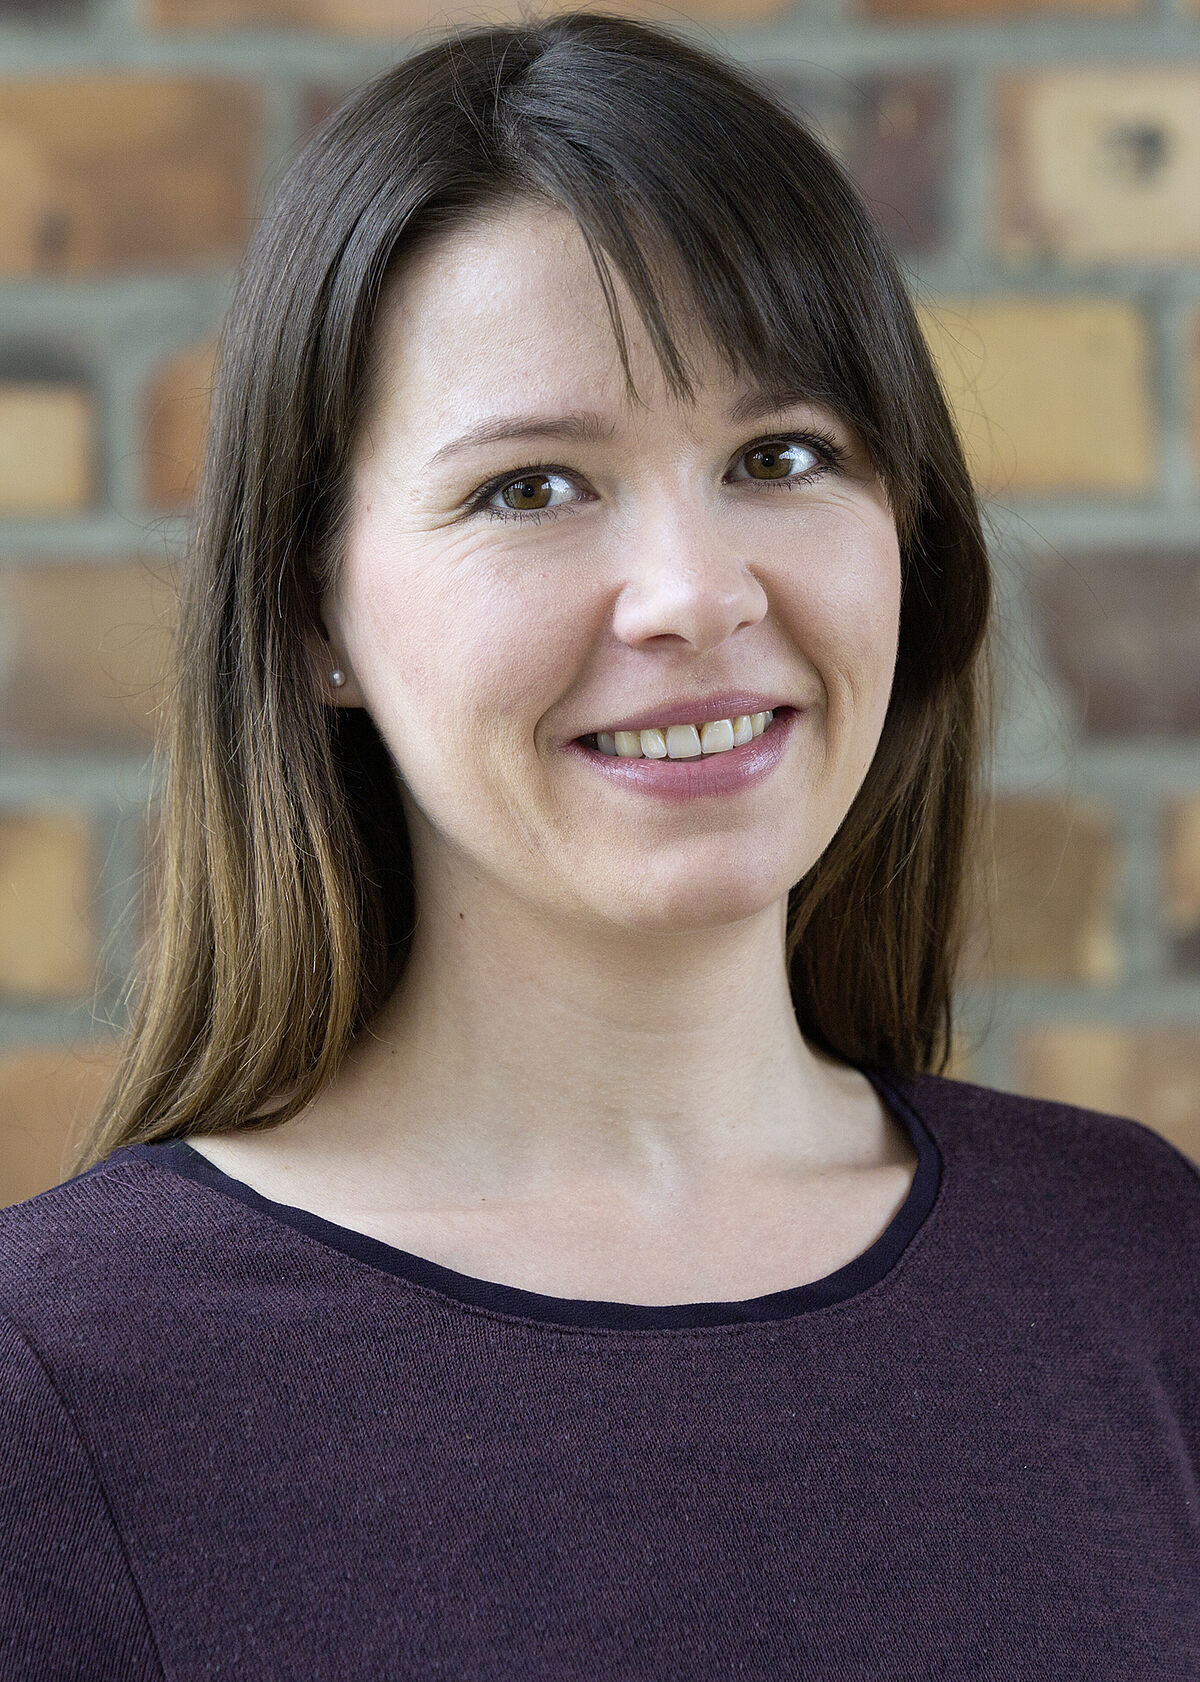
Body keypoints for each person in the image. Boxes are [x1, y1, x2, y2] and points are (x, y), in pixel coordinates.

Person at [2, 12, 1197, 1678]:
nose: (696, 593)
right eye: (534, 488)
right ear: (312, 615)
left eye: (781, 457)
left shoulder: (1139, 1269)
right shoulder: (55, 1383)